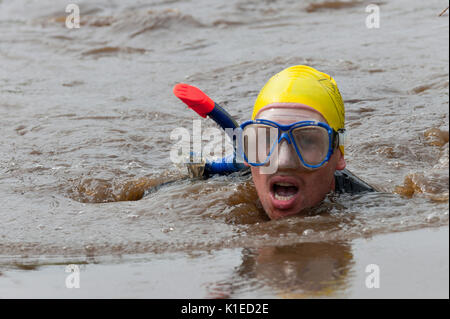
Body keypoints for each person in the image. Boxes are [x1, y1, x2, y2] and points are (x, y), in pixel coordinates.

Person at [240, 65, 375, 220]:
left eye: (307, 140)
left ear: (339, 154)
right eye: (268, 139)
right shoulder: (227, 187)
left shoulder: (372, 211)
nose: (283, 162)